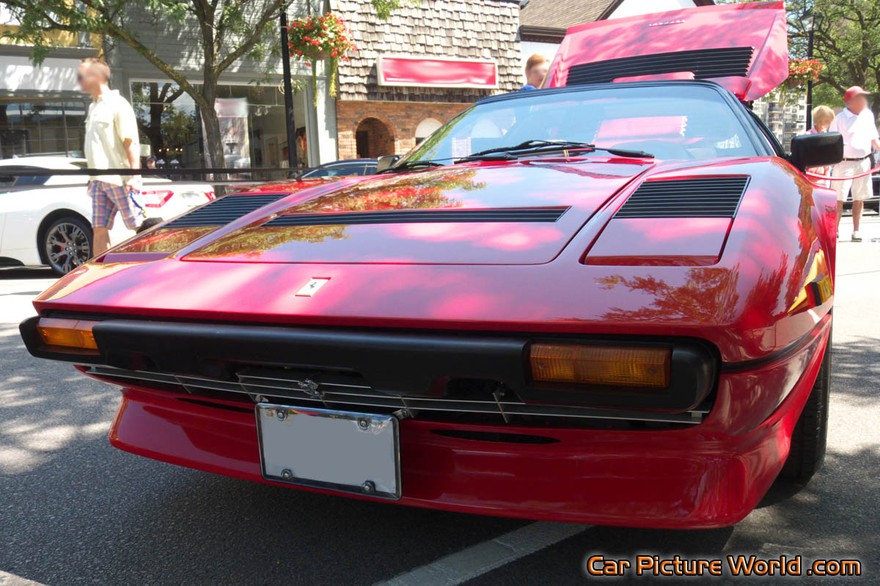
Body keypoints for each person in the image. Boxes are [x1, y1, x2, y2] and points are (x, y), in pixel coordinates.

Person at [78, 57, 142, 255]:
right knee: (98, 229)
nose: (78, 80)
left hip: (119, 179)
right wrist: (91, 178)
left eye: (81, 75)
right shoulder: (93, 107)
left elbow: (129, 141)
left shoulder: (118, 104)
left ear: (96, 76)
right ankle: (99, 277)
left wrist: (134, 176)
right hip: (98, 180)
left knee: (139, 226)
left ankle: (155, 269)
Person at [829, 86, 880, 241]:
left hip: (863, 161)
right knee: (839, 198)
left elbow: (873, 138)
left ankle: (856, 230)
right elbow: (832, 141)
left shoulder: (868, 115)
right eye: (860, 98)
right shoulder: (839, 118)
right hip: (844, 163)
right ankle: (835, 230)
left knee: (860, 197)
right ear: (850, 101)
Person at [807, 105, 835, 187]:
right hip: (811, 176)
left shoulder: (828, 136)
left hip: (824, 176)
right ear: (820, 120)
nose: (829, 124)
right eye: (827, 121)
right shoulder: (808, 136)